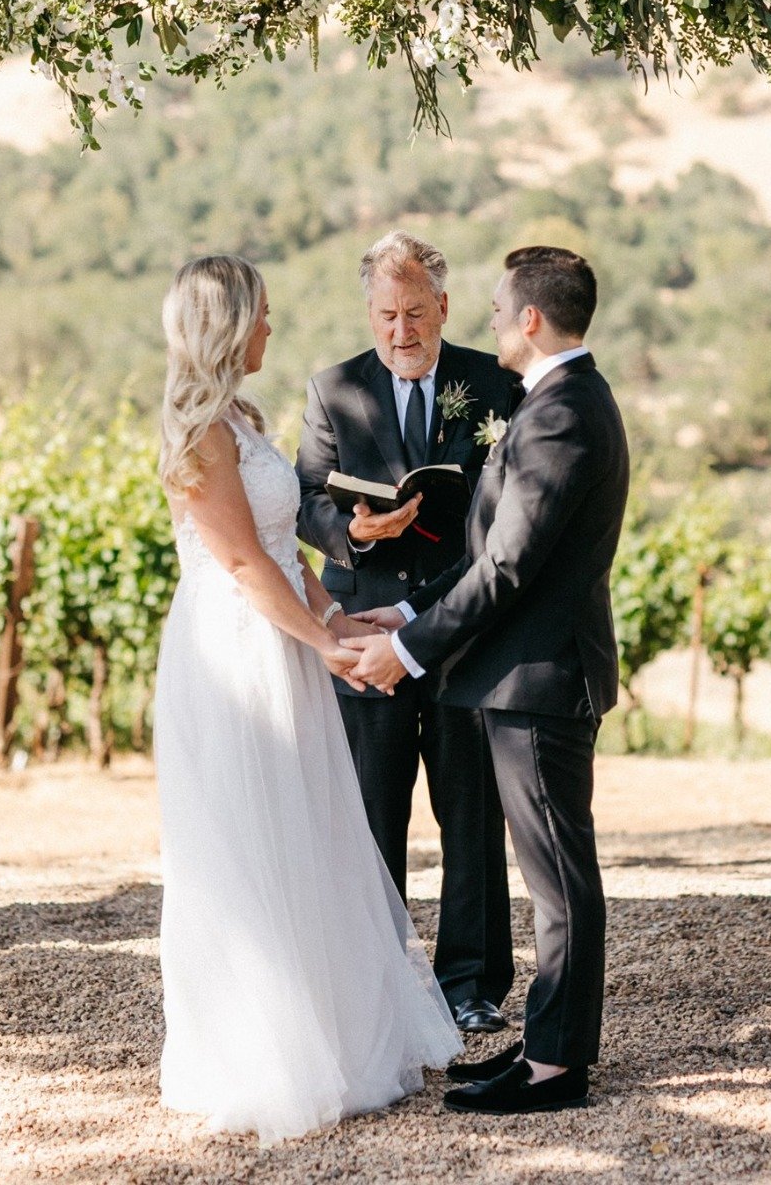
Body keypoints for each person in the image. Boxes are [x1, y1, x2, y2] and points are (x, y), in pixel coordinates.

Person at [153, 254, 460, 1144]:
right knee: (250, 840)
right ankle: (262, 1053)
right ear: (226, 324)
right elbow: (243, 565)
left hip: (283, 633)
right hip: (234, 653)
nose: (271, 329)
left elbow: (285, 550)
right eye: (262, 315)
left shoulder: (243, 419)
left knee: (312, 827)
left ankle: (335, 1035)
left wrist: (339, 613)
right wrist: (323, 643)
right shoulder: (198, 433)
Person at [347, 245, 629, 1115]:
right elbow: (488, 557)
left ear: (533, 319)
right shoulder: (562, 403)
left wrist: (411, 651)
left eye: (504, 308)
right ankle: (545, 1048)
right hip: (524, 679)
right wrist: (401, 615)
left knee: (556, 877)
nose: (495, 321)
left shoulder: (559, 414)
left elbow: (507, 568)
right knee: (551, 871)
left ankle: (556, 1071)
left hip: (539, 683)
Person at [296, 231, 518, 1032]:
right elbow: (305, 500)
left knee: (470, 814)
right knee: (369, 815)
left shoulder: (494, 382)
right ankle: (376, 980)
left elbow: (505, 520)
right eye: (387, 314)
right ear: (369, 311)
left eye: (416, 313)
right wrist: (356, 532)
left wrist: (432, 611)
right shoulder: (332, 389)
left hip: (461, 632)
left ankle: (473, 988)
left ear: (444, 308)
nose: (401, 331)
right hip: (361, 635)